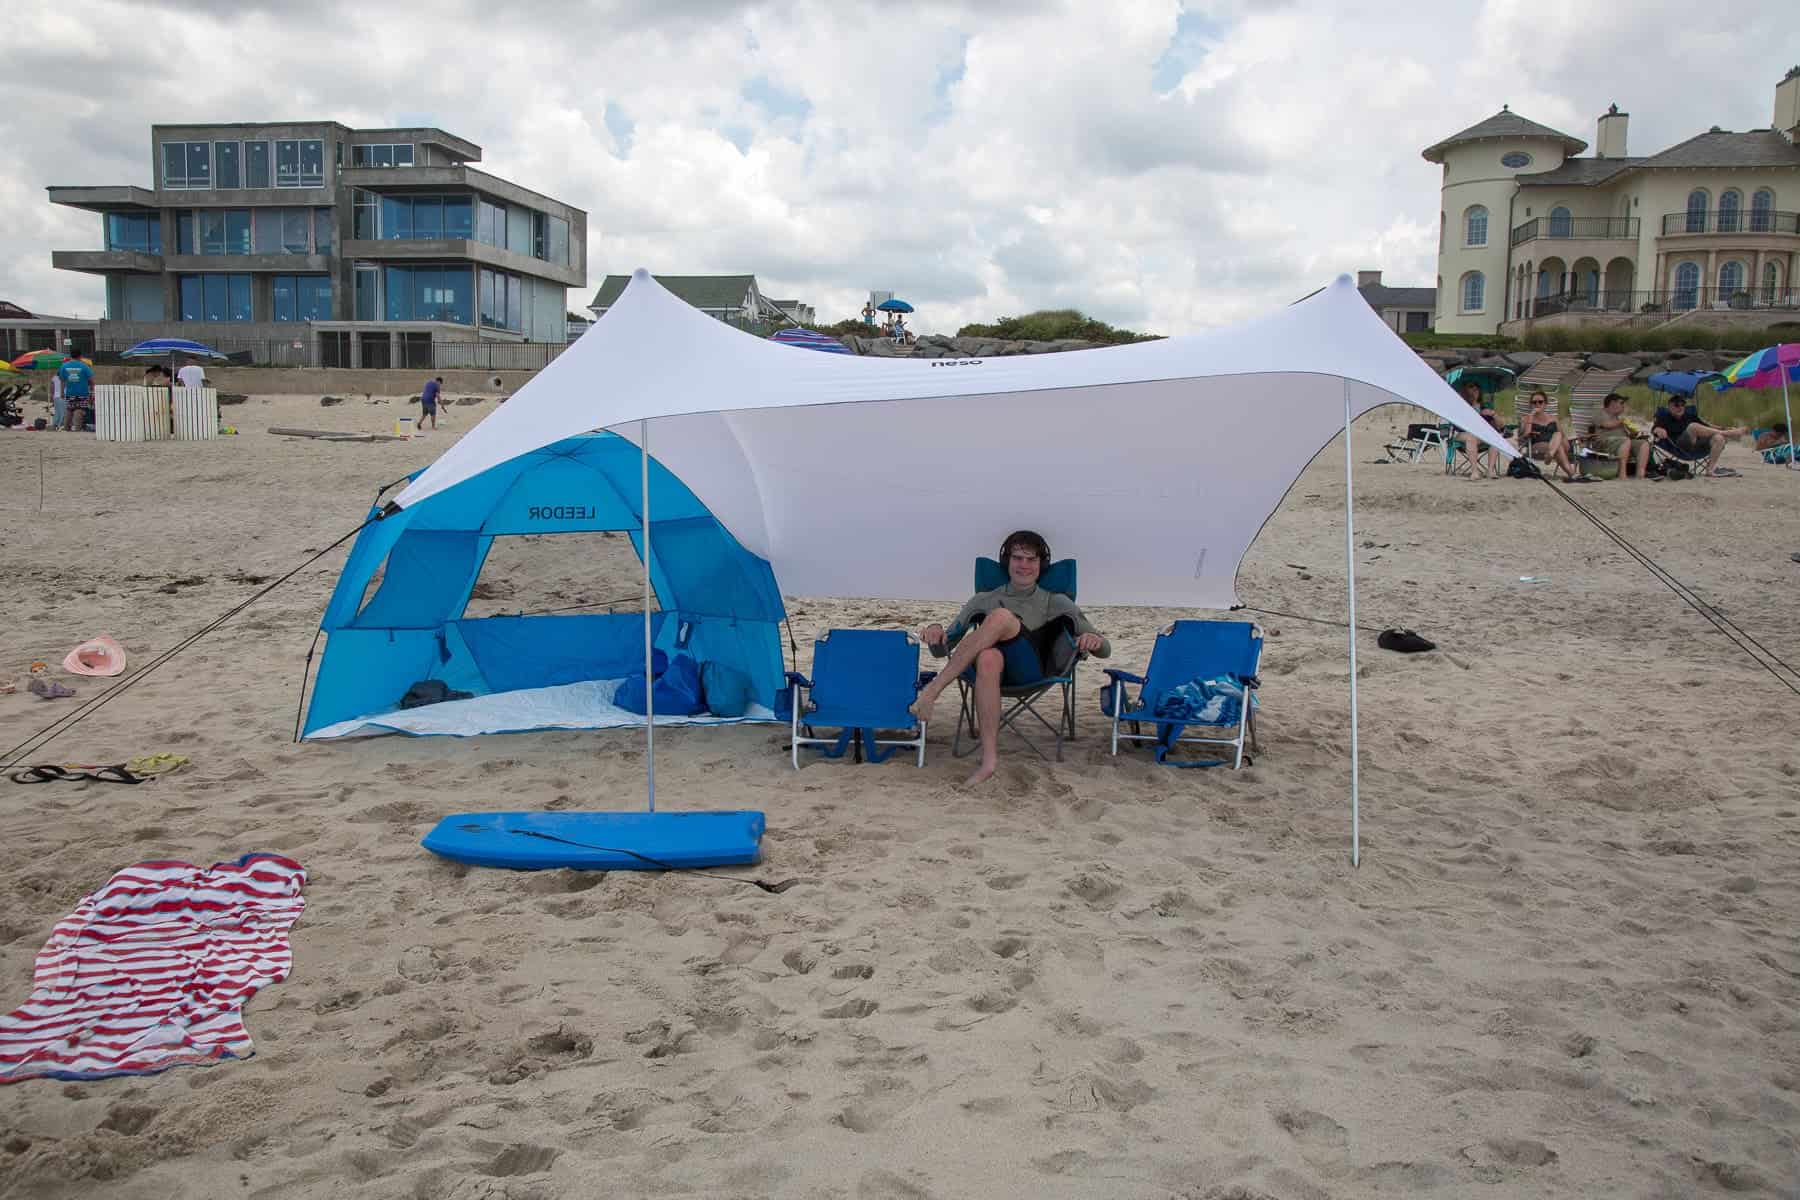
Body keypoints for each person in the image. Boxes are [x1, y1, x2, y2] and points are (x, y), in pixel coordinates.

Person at [910, 530, 1110, 785]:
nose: (1024, 565)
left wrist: (1093, 640)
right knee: (988, 658)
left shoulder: (1056, 601)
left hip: (1033, 670)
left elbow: (1105, 649)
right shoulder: (983, 599)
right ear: (1007, 562)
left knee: (1001, 617)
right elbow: (943, 648)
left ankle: (932, 692)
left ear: (1041, 564)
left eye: (1031, 559)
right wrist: (935, 631)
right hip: (990, 674)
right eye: (1017, 558)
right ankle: (989, 762)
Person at [1652, 394, 1745, 477]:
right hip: (1680, 447)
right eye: (1676, 405)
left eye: (1682, 405)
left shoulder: (1689, 416)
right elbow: (1655, 429)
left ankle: (1710, 470)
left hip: (1697, 446)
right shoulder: (1664, 417)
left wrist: (1724, 428)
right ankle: (1728, 434)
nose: (1680, 407)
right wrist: (1659, 430)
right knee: (1693, 427)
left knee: (1718, 438)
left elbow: (1708, 427)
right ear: (1669, 407)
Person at [1515, 389, 1588, 481]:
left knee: (1558, 434)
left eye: (1540, 402)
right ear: (1531, 404)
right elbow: (1526, 435)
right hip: (1538, 446)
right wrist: (1531, 417)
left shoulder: (1553, 419)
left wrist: (1569, 444)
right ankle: (1572, 474)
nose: (1537, 404)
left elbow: (1563, 435)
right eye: (1534, 402)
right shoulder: (1526, 419)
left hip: (1556, 445)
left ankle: (1550, 454)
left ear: (1545, 404)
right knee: (1558, 447)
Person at [1590, 392, 1651, 481]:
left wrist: (1633, 433)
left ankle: (1640, 474)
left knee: (1643, 444)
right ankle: (1622, 473)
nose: (1623, 406)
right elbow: (1607, 425)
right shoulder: (1600, 413)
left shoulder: (1618, 418)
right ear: (1612, 403)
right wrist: (1622, 422)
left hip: (1622, 443)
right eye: (1621, 403)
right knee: (1625, 441)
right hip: (1605, 444)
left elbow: (1626, 435)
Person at [1457, 382, 1502, 478]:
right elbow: (1457, 425)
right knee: (1471, 437)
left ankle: (1490, 470)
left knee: (1496, 438)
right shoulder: (1460, 406)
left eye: (1476, 389)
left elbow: (1501, 426)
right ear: (1465, 391)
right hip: (1463, 433)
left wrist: (1493, 414)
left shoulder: (1484, 406)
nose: (1474, 392)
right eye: (1471, 388)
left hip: (1481, 435)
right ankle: (1475, 471)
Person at [57, 350, 94, 432]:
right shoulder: (84, 366)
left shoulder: (64, 366)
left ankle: (66, 427)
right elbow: (91, 380)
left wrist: (62, 392)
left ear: (71, 356)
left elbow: (62, 381)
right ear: (80, 356)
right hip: (82, 393)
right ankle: (77, 428)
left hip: (70, 393)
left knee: (69, 409)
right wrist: (92, 390)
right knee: (79, 409)